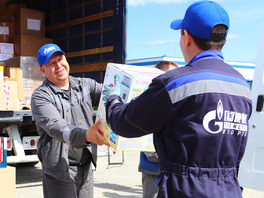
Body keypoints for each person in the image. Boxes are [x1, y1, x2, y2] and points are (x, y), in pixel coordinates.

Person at [103, 1, 252, 198]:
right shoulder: (242, 85)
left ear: (187, 37)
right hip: (229, 189)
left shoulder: (175, 83)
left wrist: (113, 99)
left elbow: (125, 124)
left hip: (186, 189)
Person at [31, 43, 109, 198]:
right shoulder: (41, 96)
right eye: (51, 64)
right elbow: (56, 127)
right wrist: (87, 135)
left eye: (60, 59)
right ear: (43, 70)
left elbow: (110, 97)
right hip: (59, 171)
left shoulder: (85, 85)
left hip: (85, 167)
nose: (58, 66)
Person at [139, 61, 178, 198]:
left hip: (174, 172)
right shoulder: (147, 101)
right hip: (153, 169)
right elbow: (145, 143)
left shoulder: (178, 101)